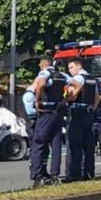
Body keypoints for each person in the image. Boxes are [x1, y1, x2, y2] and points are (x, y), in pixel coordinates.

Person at [30, 56, 68, 187]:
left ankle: (38, 176)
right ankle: (54, 175)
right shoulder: (62, 75)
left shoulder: (45, 73)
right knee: (56, 143)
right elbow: (73, 86)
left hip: (47, 111)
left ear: (42, 65)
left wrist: (37, 100)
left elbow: (40, 83)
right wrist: (66, 99)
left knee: (38, 142)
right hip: (59, 111)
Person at [62, 58, 98, 182]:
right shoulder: (92, 79)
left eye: (71, 68)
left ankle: (74, 174)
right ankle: (88, 173)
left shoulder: (78, 78)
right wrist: (92, 109)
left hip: (76, 113)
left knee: (74, 144)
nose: (70, 70)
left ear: (78, 66)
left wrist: (65, 98)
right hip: (88, 113)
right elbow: (96, 98)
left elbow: (71, 95)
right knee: (88, 145)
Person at [22, 84, 63, 176]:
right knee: (36, 148)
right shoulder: (29, 95)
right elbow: (30, 111)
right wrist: (44, 110)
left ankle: (43, 171)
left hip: (41, 122)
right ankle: (36, 171)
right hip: (34, 123)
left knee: (45, 150)